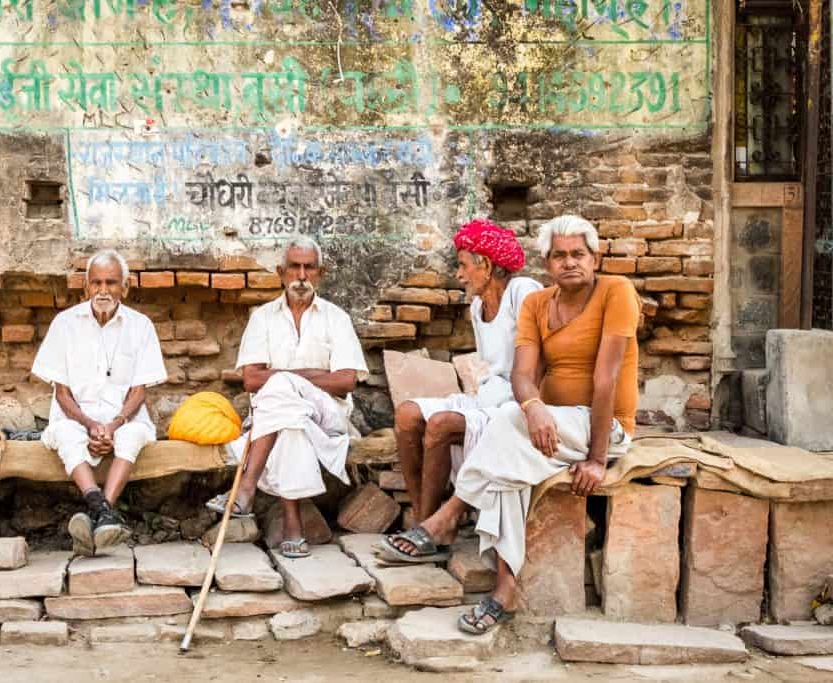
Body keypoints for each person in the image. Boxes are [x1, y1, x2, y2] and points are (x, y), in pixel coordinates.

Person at [379, 215, 640, 635]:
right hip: (546, 422)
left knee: (503, 427)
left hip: (598, 426)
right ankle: (505, 589)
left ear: (595, 257)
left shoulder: (617, 293)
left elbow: (606, 378)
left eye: (578, 254)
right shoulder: (539, 304)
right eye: (558, 256)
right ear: (547, 263)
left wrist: (597, 458)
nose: (569, 262)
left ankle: (447, 516)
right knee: (510, 461)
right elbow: (521, 373)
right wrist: (535, 407)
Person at [205, 237, 368, 558]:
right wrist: (309, 376)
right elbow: (251, 380)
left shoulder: (337, 318)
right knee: (289, 419)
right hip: (279, 415)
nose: (302, 275)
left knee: (279, 387)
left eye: (309, 268)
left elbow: (346, 380)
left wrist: (286, 375)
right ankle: (294, 525)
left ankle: (246, 488)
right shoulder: (263, 317)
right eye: (295, 267)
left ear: (320, 273)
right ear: (281, 272)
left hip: (326, 414)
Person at [391, 219, 541, 534]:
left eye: (462, 265)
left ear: (485, 265)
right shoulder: (477, 308)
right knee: (407, 415)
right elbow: (491, 368)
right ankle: (424, 519)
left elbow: (539, 361)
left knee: (440, 424)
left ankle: (435, 530)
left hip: (517, 403)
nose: (458, 275)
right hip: (489, 395)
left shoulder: (523, 292)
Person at [32, 249, 167, 556]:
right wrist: (92, 426)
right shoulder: (65, 324)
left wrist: (113, 425)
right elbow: (62, 393)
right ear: (86, 287)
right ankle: (102, 510)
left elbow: (138, 392)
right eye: (96, 283)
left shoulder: (141, 325)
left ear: (126, 287)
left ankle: (96, 516)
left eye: (111, 283)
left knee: (133, 435)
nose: (103, 291)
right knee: (65, 435)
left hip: (124, 419)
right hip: (77, 419)